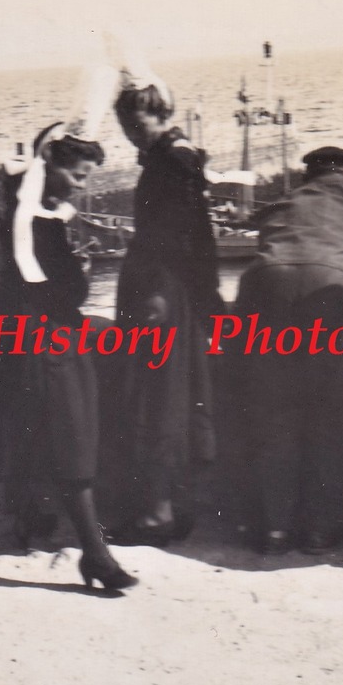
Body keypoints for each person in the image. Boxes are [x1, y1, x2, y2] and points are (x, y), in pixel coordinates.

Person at [0, 125, 136, 592]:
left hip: (16, 330)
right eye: (77, 175)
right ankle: (95, 555)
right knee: (69, 437)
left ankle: (36, 524)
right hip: (41, 337)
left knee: (35, 429)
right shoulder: (34, 220)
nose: (83, 185)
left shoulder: (23, 210)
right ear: (49, 168)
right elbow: (62, 287)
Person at [232, 146, 343, 555]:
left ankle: (274, 529)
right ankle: (319, 529)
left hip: (264, 283)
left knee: (271, 411)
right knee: (334, 409)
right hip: (335, 288)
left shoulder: (286, 199)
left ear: (308, 176)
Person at [101, 71, 222, 544]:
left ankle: (156, 513)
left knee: (154, 397)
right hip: (168, 291)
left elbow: (178, 237)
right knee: (172, 397)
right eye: (126, 125)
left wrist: (156, 294)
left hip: (159, 294)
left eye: (137, 123)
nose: (131, 133)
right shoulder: (174, 157)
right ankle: (173, 505)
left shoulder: (172, 162)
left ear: (159, 114)